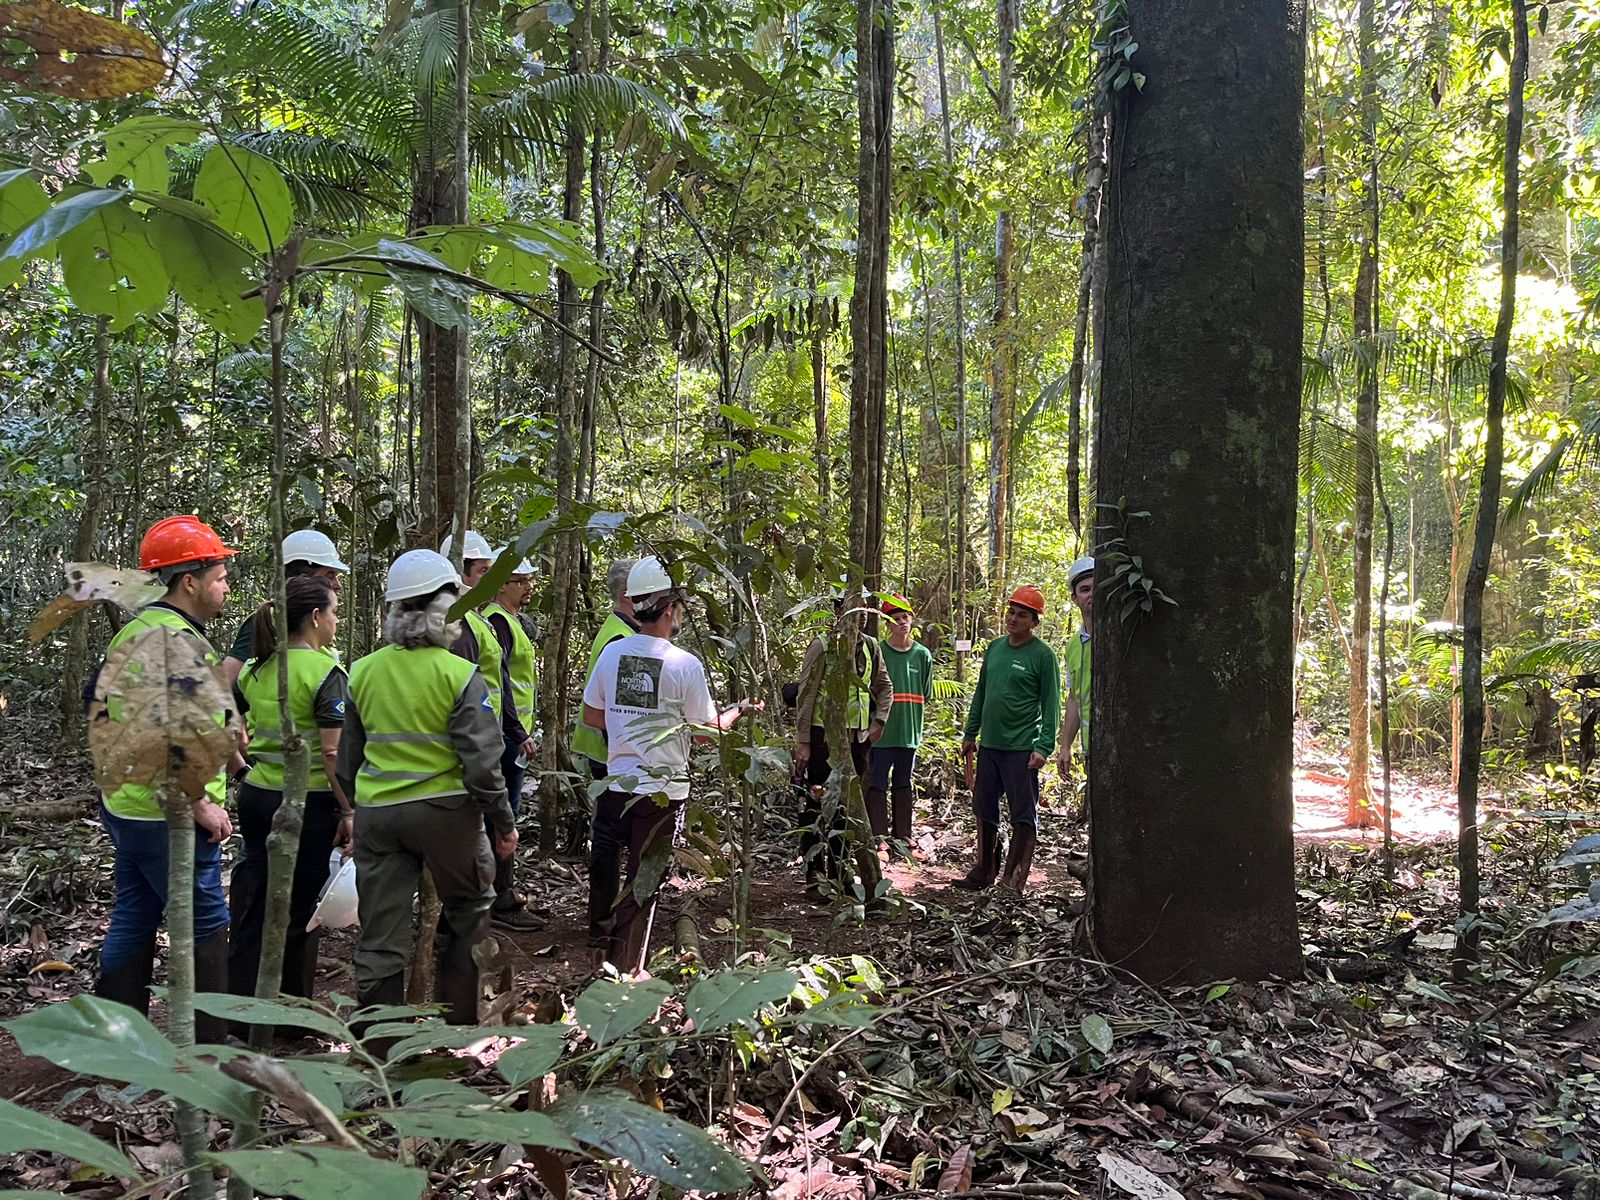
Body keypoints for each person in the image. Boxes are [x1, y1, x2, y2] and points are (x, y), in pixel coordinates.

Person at [336, 549, 516, 1024]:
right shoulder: (458, 674)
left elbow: (348, 762)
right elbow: (481, 765)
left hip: (377, 814)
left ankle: (382, 1044)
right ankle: (462, 1030)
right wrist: (502, 821)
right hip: (445, 814)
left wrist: (361, 806)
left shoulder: (362, 672)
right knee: (471, 910)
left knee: (381, 935)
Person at [92, 515, 240, 1040]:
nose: (226, 587)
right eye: (220, 576)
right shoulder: (176, 642)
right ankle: (213, 1049)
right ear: (189, 582)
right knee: (206, 918)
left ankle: (117, 1036)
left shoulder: (137, 631)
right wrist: (199, 802)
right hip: (166, 812)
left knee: (135, 908)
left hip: (127, 804)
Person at [581, 556, 752, 973]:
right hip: (662, 791)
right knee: (645, 876)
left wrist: (627, 724)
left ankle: (602, 941)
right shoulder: (684, 664)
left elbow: (592, 715)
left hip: (616, 782)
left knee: (607, 858)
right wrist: (737, 712)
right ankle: (626, 967)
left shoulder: (612, 654)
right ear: (672, 608)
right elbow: (705, 731)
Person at [227, 574, 354, 1010]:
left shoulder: (256, 668)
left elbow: (230, 724)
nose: (336, 620)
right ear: (316, 617)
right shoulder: (325, 673)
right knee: (301, 909)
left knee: (259, 901)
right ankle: (291, 1013)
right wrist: (349, 810)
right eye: (334, 611)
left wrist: (241, 769)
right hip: (309, 803)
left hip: (258, 796)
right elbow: (333, 754)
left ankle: (242, 1005)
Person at [957, 585, 1060, 894]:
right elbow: (982, 693)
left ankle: (1013, 880)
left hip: (1021, 749)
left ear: (1034, 622)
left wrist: (1043, 747)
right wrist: (970, 733)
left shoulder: (1043, 656)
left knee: (1023, 814)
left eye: (1022, 615)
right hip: (990, 746)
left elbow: (1051, 703)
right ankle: (984, 871)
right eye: (1011, 612)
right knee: (983, 807)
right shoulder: (996, 648)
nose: (1014, 619)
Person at [793, 589, 892, 897]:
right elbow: (806, 694)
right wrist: (804, 741)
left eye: (864, 609)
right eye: (852, 608)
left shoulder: (872, 647)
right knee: (818, 801)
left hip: (858, 739)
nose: (860, 615)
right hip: (825, 738)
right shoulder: (823, 646)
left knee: (847, 806)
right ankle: (813, 872)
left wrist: (879, 721)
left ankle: (840, 870)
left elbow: (884, 685)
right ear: (838, 612)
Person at [574, 558, 638, 943]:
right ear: (629, 596)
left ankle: (609, 918)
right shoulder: (620, 640)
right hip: (611, 755)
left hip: (610, 753)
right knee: (611, 837)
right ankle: (604, 924)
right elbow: (617, 713)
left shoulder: (620, 632)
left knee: (612, 835)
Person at [481, 549, 543, 931]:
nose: (528, 588)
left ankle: (502, 892)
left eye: (529, 581)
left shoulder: (514, 621)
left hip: (510, 734)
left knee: (507, 815)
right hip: (503, 737)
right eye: (520, 581)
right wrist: (516, 732)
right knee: (503, 819)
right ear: (501, 584)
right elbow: (500, 682)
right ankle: (498, 900)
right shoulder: (497, 622)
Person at [222, 529, 348, 685]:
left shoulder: (320, 623)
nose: (338, 585)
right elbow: (226, 686)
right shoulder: (270, 619)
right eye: (329, 576)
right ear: (304, 580)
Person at [870, 594, 934, 856]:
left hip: (909, 732)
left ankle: (903, 837)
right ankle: (878, 839)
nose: (901, 622)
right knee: (877, 783)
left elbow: (926, 693)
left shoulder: (922, 654)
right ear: (887, 623)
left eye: (905, 617)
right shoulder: (879, 651)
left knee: (903, 783)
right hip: (882, 732)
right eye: (895, 619)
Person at [1057, 557, 1094, 786]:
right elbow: (1075, 698)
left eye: (1097, 588)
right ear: (1075, 598)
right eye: (1085, 589)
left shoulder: (1121, 639)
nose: (1092, 594)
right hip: (1092, 749)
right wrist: (1065, 745)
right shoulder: (1072, 646)